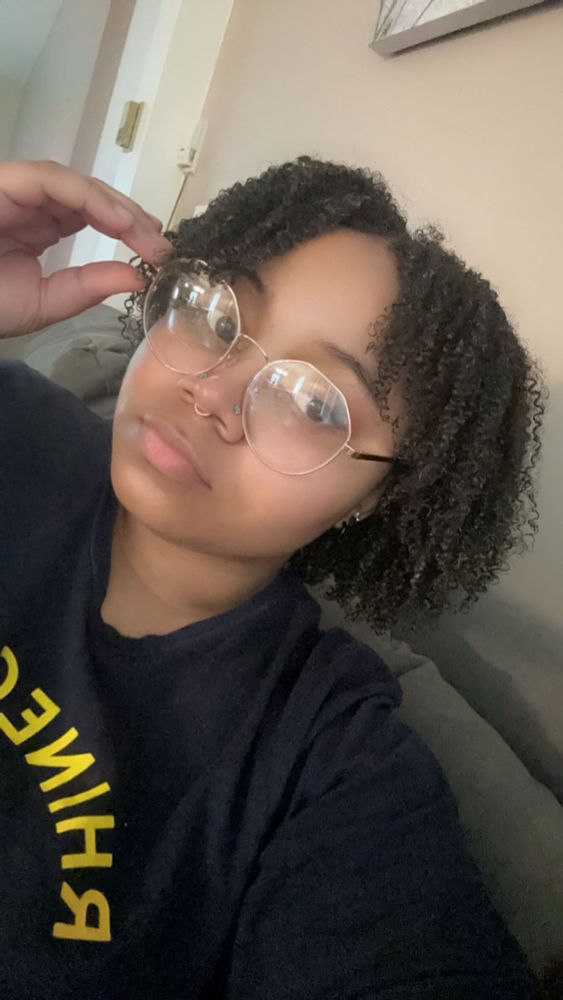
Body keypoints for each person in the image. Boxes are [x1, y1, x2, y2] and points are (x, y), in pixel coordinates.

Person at [0, 156, 545, 999]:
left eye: (315, 403)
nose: (212, 391)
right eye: (218, 312)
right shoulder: (15, 427)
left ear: (378, 497)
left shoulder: (328, 764)